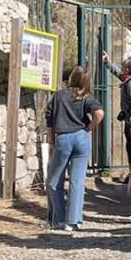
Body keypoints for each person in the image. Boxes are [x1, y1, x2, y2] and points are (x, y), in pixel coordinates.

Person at [45, 66, 103, 232]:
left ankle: (58, 219)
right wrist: (88, 128)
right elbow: (99, 114)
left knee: (54, 180)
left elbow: (49, 119)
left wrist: (51, 140)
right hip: (81, 138)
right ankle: (73, 221)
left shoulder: (59, 96)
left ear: (72, 78)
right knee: (77, 181)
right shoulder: (87, 97)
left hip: (63, 138)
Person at [103, 52, 131, 215]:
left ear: (128, 69)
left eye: (123, 67)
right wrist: (108, 64)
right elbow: (120, 75)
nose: (121, 69)